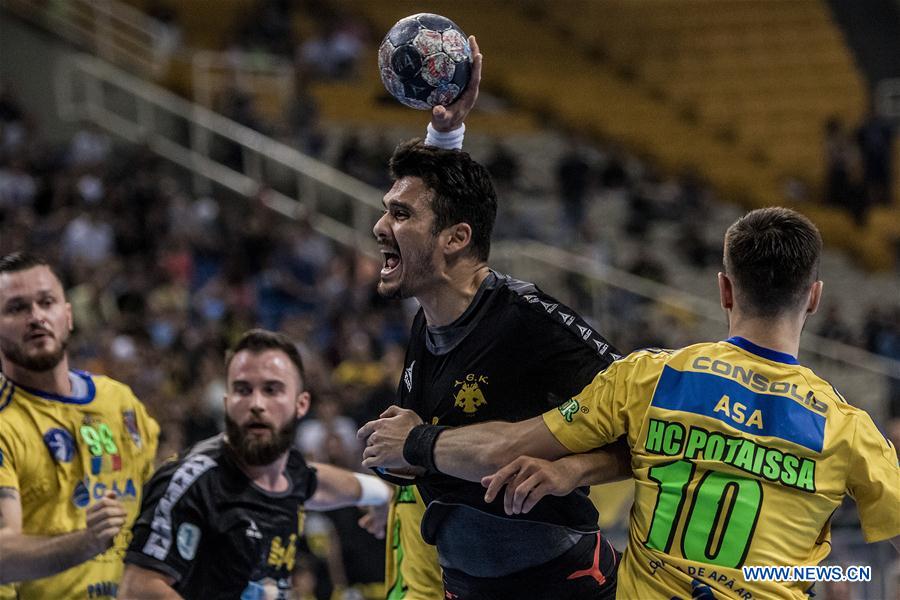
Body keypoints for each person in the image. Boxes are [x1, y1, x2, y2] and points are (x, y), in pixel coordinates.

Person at [366, 207, 900, 599]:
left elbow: (508, 445)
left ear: (724, 291)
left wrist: (417, 441)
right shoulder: (848, 430)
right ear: (814, 297)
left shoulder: (649, 377)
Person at [357, 35, 629, 595]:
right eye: (386, 210)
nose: (381, 226)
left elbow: (649, 423)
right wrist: (445, 135)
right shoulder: (429, 317)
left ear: (457, 241)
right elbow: (450, 209)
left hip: (566, 585)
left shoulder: (530, 322)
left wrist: (574, 469)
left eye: (398, 213)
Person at [119, 328, 392, 599]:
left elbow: (319, 483)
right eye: (243, 390)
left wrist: (380, 495)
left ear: (301, 404)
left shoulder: (291, 470)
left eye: (272, 389)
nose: (257, 403)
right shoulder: (191, 483)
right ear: (227, 403)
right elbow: (138, 588)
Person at [0, 252, 160, 600]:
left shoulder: (119, 401)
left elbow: (156, 490)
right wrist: (86, 542)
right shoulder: (4, 424)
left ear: (68, 315)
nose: (36, 317)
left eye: (47, 302)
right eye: (16, 308)